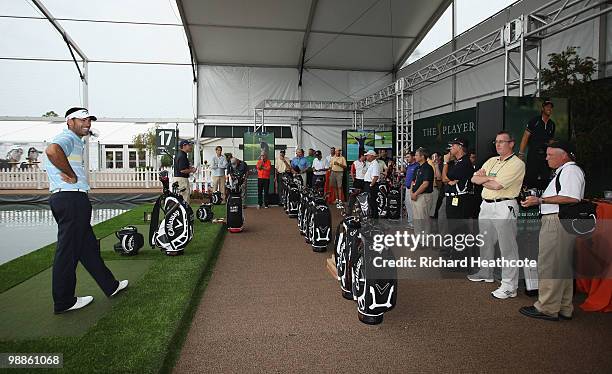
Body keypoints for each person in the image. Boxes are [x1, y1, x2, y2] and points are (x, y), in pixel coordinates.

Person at [44, 107, 128, 314]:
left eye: (89, 120)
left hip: (73, 198)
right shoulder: (67, 137)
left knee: (88, 248)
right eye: (82, 120)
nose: (87, 123)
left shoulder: (75, 140)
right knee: (67, 251)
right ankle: (63, 301)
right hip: (70, 198)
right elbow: (52, 151)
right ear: (69, 122)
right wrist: (71, 174)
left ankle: (110, 285)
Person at [519, 140, 584, 321]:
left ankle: (547, 307)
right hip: (560, 221)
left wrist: (539, 201)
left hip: (557, 221)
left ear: (563, 155)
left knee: (549, 264)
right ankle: (563, 307)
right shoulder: (566, 171)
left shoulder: (570, 170)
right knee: (561, 265)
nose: (546, 158)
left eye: (550, 155)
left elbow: (571, 197)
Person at [469, 131, 525, 299]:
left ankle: (509, 286)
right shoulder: (492, 160)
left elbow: (497, 186)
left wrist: (484, 179)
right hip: (486, 205)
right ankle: (486, 272)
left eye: (502, 141)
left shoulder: (517, 163)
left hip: (504, 205)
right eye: (496, 141)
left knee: (507, 248)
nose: (498, 144)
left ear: (512, 143)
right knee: (485, 242)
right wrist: (487, 179)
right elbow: (473, 179)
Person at [442, 138, 477, 264]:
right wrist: (449, 180)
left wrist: (445, 163)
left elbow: (444, 178)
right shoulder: (459, 162)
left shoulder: (464, 163)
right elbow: (447, 180)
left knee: (459, 230)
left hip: (460, 200)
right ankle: (456, 257)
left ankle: (460, 261)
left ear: (460, 147)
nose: (451, 148)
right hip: (454, 199)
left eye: (453, 146)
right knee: (454, 229)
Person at [519, 100, 556, 191]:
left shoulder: (552, 124)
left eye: (550, 107)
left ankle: (543, 198)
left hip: (545, 156)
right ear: (542, 108)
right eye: (547, 106)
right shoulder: (534, 121)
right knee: (530, 178)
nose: (549, 109)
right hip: (533, 154)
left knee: (545, 178)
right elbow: (525, 137)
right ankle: (528, 199)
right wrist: (521, 154)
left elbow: (551, 141)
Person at [411, 148, 434, 234]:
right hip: (415, 196)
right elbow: (413, 181)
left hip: (423, 196)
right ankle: (418, 238)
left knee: (423, 219)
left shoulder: (428, 168)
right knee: (416, 219)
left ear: (422, 156)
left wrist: (415, 193)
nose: (415, 157)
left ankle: (424, 240)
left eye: (416, 155)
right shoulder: (417, 168)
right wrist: (412, 193)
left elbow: (425, 184)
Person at [174, 139, 196, 204]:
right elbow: (182, 170)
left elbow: (182, 167)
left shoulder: (180, 154)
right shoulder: (182, 156)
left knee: (181, 199)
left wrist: (189, 168)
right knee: (185, 199)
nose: (190, 147)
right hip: (182, 180)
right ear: (184, 146)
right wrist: (192, 170)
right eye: (189, 145)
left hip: (179, 179)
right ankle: (185, 213)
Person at [401, 151, 418, 228]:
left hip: (413, 189)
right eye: (406, 157)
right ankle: (410, 222)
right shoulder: (409, 166)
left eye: (408, 157)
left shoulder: (417, 166)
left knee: (413, 206)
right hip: (407, 188)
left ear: (413, 157)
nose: (406, 158)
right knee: (408, 205)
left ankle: (414, 224)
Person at [363, 150, 380, 218]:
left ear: (372, 156)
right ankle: (373, 215)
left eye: (367, 155)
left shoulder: (375, 164)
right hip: (369, 184)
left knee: (372, 200)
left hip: (371, 185)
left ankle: (375, 216)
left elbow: (375, 177)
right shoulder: (372, 164)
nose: (366, 157)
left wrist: (370, 185)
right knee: (370, 201)